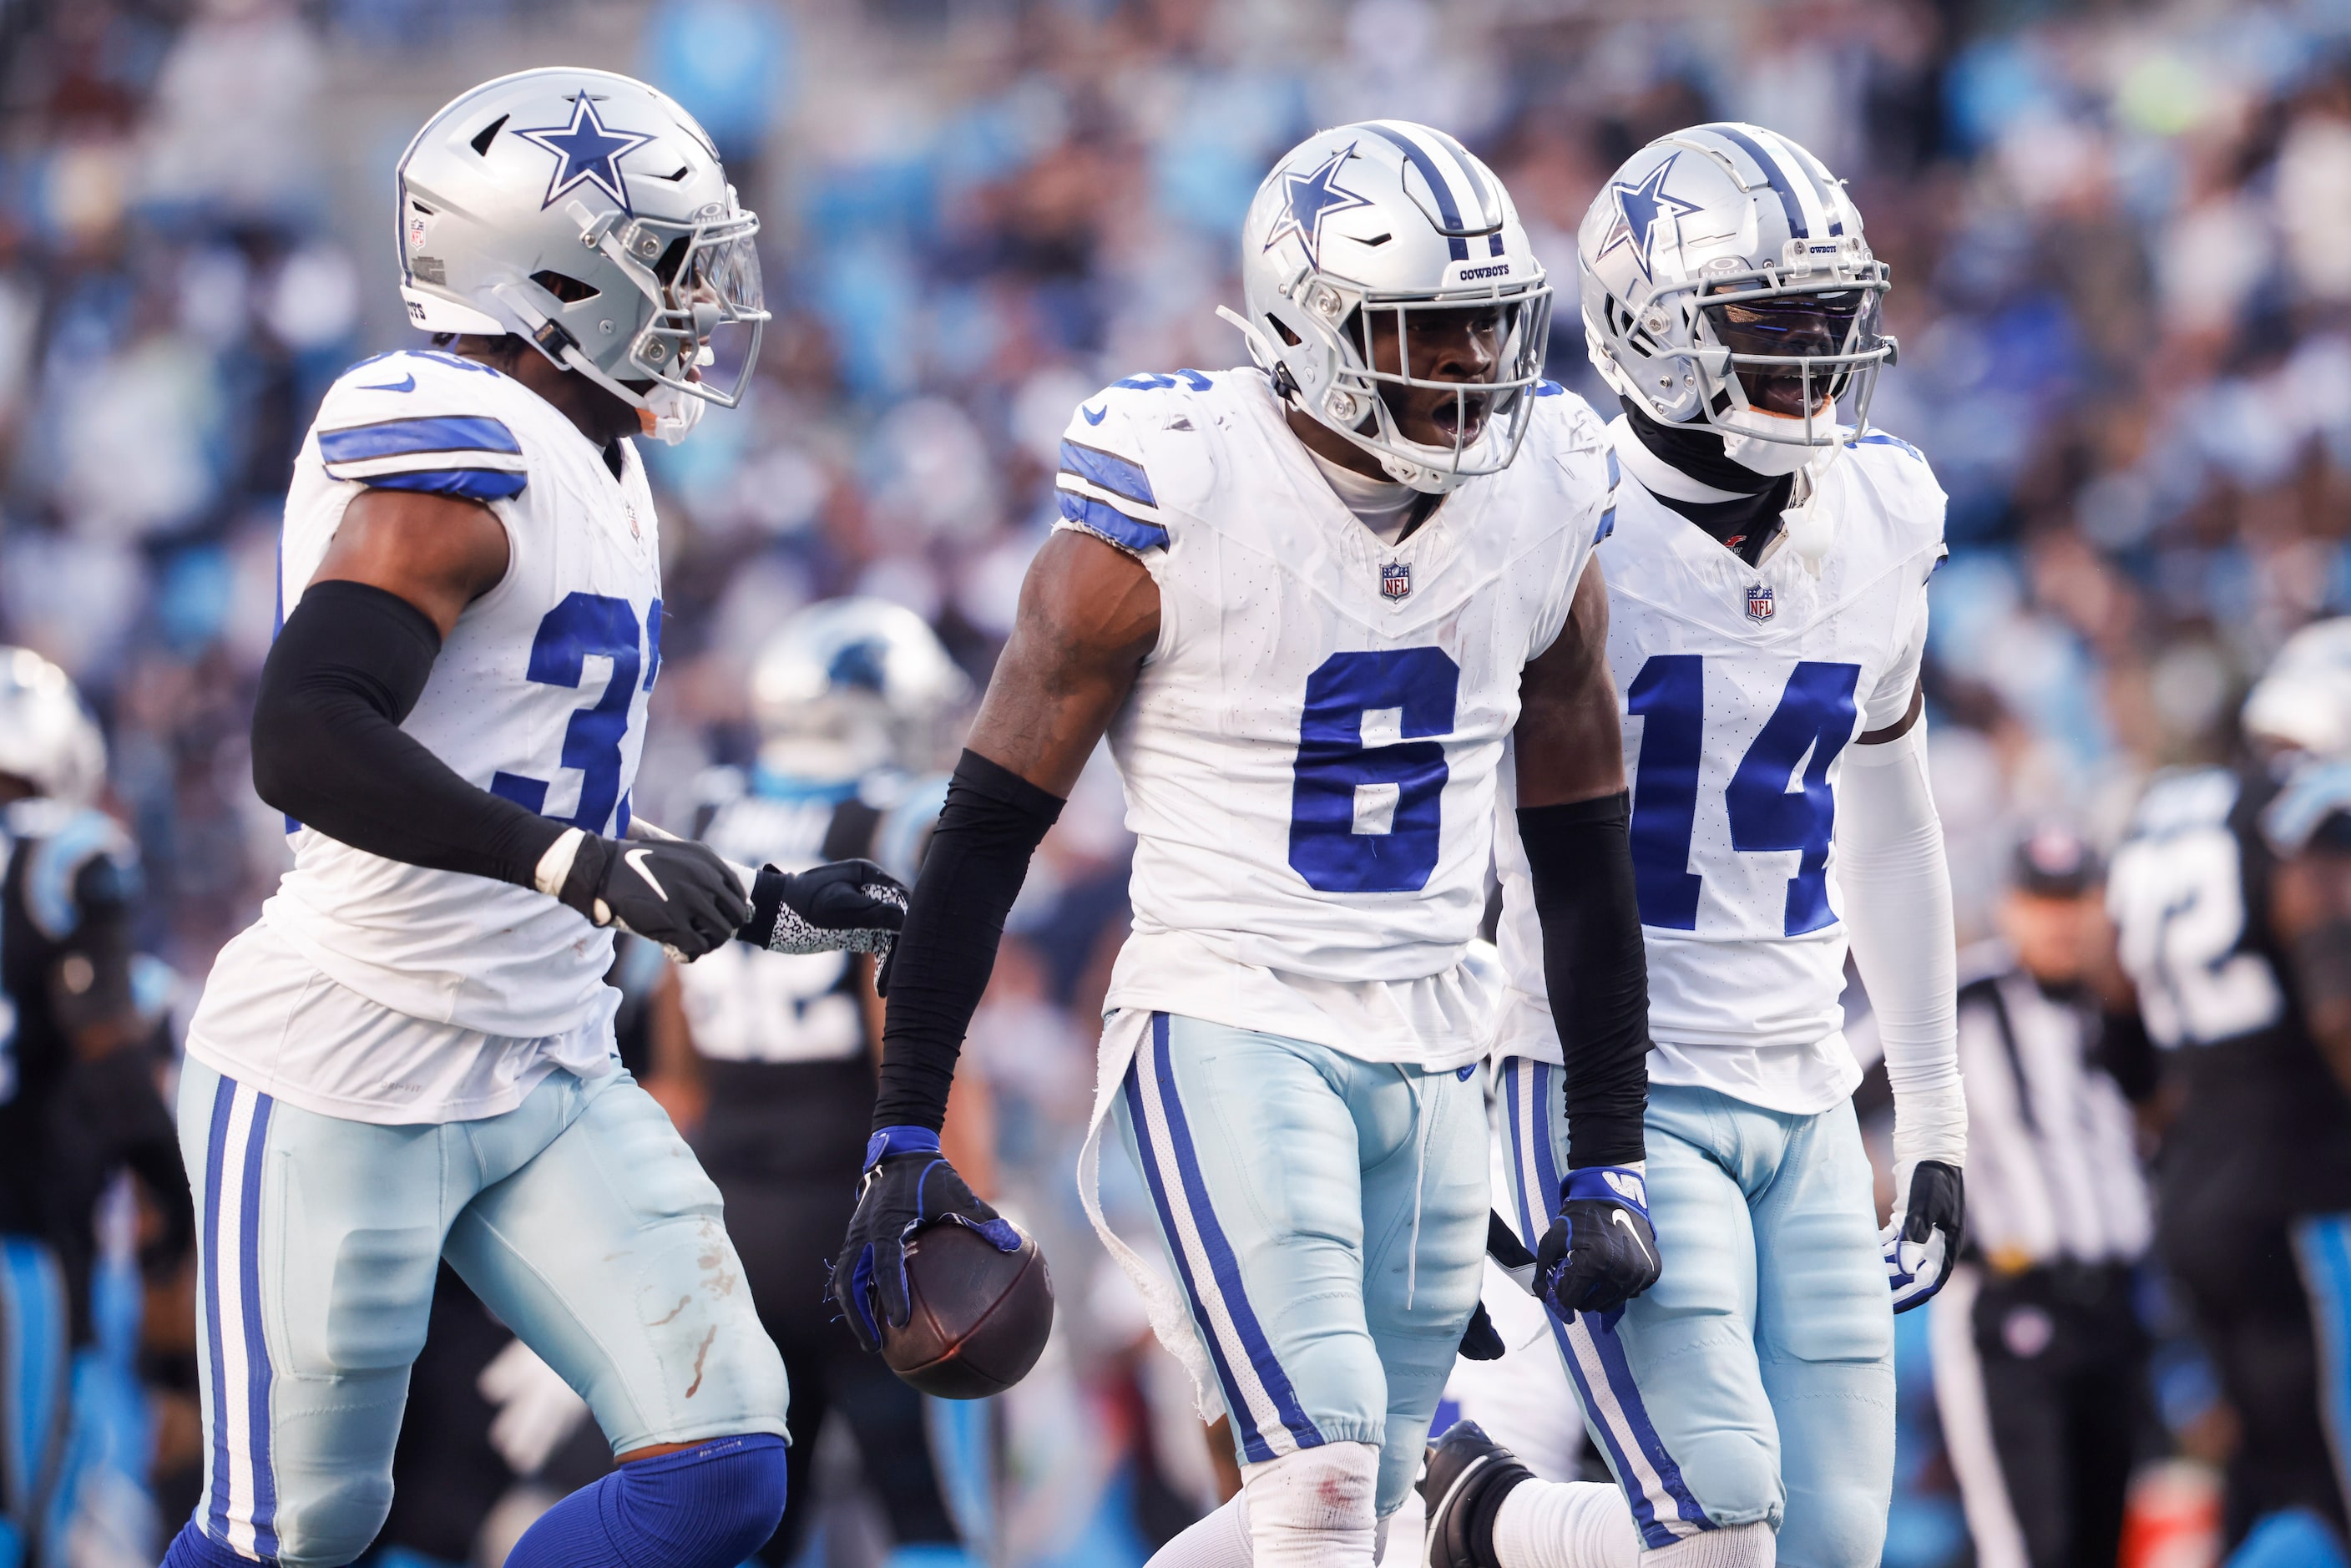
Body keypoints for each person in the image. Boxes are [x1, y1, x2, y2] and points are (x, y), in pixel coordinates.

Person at [830, 119, 1662, 1568]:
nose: (1473, 369)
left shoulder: (1543, 501)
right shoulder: (1173, 499)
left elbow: (1586, 856)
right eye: (1430, 333)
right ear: (1310, 328)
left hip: (1432, 1035)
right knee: (1328, 1473)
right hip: (1231, 1016)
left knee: (1370, 1506)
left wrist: (1609, 1152)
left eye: (1488, 330)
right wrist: (905, 1117)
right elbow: (982, 829)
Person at [161, 68, 908, 1568]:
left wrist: (740, 896)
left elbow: (533, 766)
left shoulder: (602, 463)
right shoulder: (451, 433)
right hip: (348, 1053)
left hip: (548, 1055)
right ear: (551, 272)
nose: (701, 300)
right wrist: (577, 862)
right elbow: (307, 735)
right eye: (670, 264)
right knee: (296, 1534)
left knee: (724, 1471)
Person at [1422, 123, 1965, 1568]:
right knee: (1719, 1525)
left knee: (1834, 1545)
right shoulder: (1551, 506)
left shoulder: (1883, 514)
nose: (1815, 363)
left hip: (1798, 1092)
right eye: (1769, 327)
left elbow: (1889, 818)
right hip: (1607, 1096)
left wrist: (1931, 1110)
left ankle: (1456, 1508)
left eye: (1832, 322)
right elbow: (1427, 845)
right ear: (1648, 335)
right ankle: (1461, 1516)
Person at [649, 597, 983, 1566]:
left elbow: (677, 1055)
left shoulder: (707, 807)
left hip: (732, 1217)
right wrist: (972, 1205)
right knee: (927, 1505)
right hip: (863, 1214)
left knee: (762, 1515)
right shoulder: (894, 816)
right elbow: (919, 1043)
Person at [2107, 616, 2351, 1560]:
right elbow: (2334, 1006)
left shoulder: (2157, 812)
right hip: (2303, 1191)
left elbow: (2115, 1015)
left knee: (2272, 1474)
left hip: (2196, 1187)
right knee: (2330, 1476)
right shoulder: (2305, 812)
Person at [0, 646, 192, 1567]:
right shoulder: (64, 856)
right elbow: (115, 1067)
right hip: (28, 1244)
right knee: (43, 1516)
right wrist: (177, 1202)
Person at [1928, 827, 2151, 1568]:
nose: (2060, 921)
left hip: (2116, 1306)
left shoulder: (2127, 1002)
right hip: (2008, 1305)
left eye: (2076, 900)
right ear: (2008, 906)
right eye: (2041, 900)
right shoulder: (1964, 1000)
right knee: (2027, 1545)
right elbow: (1835, 1079)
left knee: (2099, 1541)